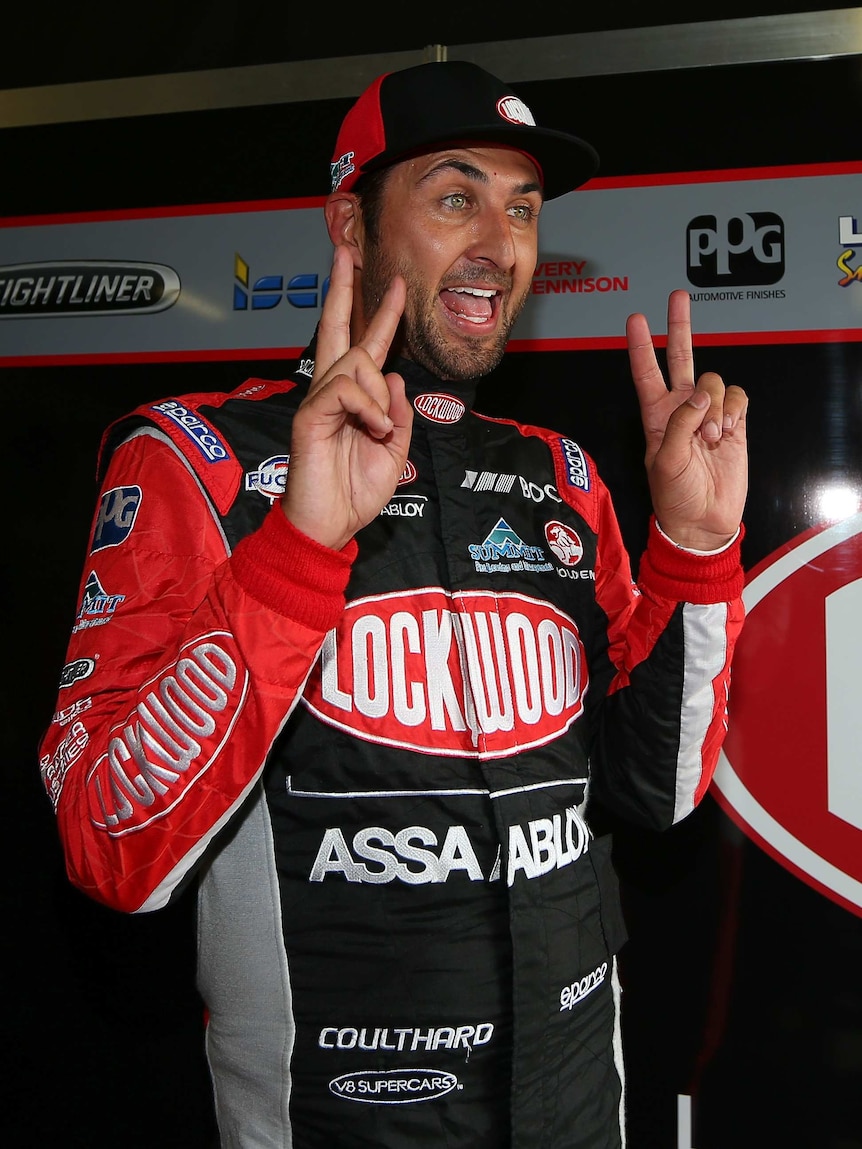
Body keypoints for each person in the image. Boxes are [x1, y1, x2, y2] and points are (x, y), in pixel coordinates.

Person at [38, 59, 748, 1149]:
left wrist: (693, 551)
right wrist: (298, 552)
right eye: (455, 197)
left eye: (521, 209)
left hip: (572, 1103)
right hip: (335, 1120)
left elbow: (658, 793)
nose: (500, 243)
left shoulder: (561, 475)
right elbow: (109, 844)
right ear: (351, 223)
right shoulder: (197, 459)